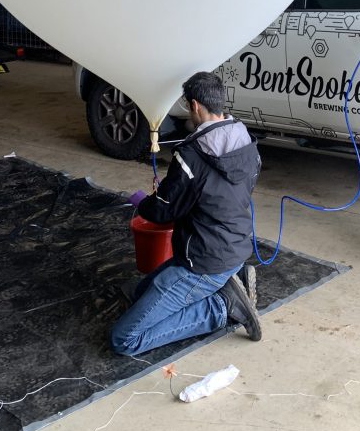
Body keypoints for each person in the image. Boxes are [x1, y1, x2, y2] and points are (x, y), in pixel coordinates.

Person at [110, 70, 262, 355]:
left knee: (124, 340)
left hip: (202, 263)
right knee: (136, 293)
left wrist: (144, 199)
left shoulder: (190, 155)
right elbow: (223, 192)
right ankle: (232, 279)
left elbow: (163, 212)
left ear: (194, 106)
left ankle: (222, 308)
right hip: (236, 245)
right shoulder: (245, 140)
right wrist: (180, 192)